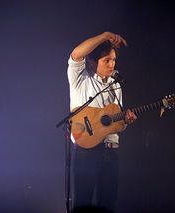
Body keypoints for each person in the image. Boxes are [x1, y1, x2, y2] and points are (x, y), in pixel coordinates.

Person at [67, 32, 137, 212]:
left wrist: (126, 120)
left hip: (111, 153)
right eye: (106, 60)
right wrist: (105, 36)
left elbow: (116, 124)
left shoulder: (116, 85)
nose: (112, 64)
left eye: (113, 60)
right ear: (93, 62)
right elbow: (76, 54)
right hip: (86, 151)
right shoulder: (81, 79)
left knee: (108, 205)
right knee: (83, 204)